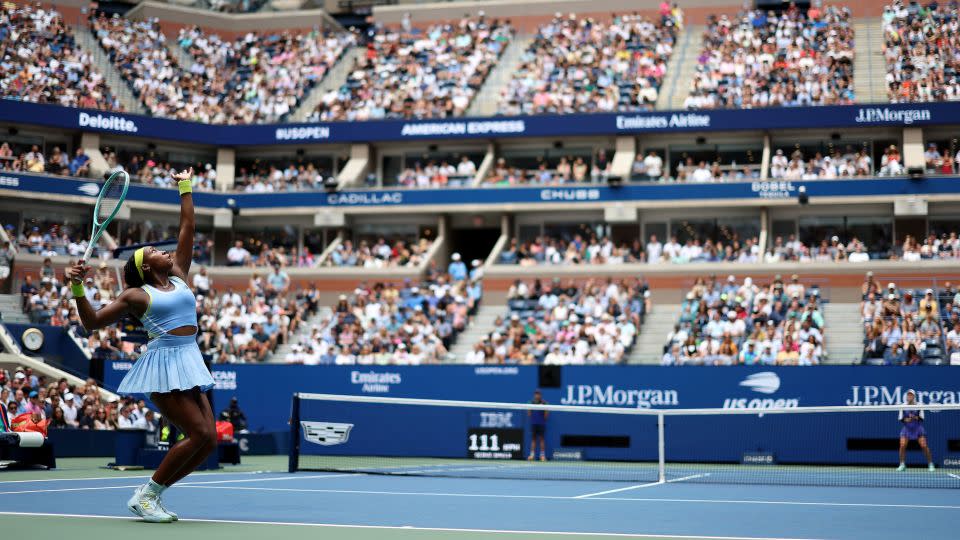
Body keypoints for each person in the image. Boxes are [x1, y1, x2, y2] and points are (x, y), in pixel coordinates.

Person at [66, 168, 215, 523]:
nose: (164, 252)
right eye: (154, 251)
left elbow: (188, 229)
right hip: (164, 365)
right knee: (199, 434)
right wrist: (77, 289)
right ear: (145, 266)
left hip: (190, 358)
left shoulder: (178, 275)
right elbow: (92, 323)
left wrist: (185, 187)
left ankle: (152, 496)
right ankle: (146, 495)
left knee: (209, 441)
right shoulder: (136, 294)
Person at [897, 390, 935, 472]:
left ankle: (930, 464)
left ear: (914, 397)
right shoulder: (903, 406)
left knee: (924, 446)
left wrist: (914, 417)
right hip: (906, 429)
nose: (909, 396)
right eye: (908, 395)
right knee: (902, 445)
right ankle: (902, 464)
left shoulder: (919, 405)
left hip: (918, 428)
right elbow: (901, 419)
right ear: (907, 396)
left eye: (911, 395)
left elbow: (922, 418)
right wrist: (906, 419)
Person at [527, 389, 548, 461]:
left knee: (542, 439)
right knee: (533, 440)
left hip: (541, 424)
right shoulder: (531, 402)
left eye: (538, 394)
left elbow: (546, 415)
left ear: (540, 395)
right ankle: (532, 455)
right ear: (534, 395)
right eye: (536, 394)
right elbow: (529, 414)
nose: (537, 395)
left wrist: (541, 418)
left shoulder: (544, 403)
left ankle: (542, 456)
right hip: (534, 424)